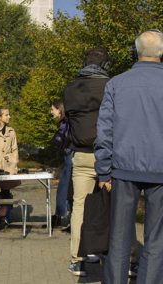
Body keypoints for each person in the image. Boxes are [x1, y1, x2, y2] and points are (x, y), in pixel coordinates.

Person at [95, 29, 163, 284]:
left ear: (136, 51)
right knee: (157, 240)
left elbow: (105, 130)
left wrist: (103, 170)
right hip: (160, 171)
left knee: (120, 237)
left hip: (122, 169)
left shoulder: (116, 84)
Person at [63, 47, 111, 276]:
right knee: (114, 205)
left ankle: (77, 258)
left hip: (81, 154)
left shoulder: (71, 88)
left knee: (79, 206)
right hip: (109, 155)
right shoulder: (111, 86)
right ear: (105, 65)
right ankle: (124, 256)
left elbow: (69, 117)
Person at [50, 99, 72, 229]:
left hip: (69, 157)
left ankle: (63, 216)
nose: (51, 112)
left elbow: (63, 140)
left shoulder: (65, 124)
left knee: (66, 188)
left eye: (53, 109)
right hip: (67, 158)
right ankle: (62, 216)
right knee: (65, 187)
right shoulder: (66, 123)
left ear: (59, 109)